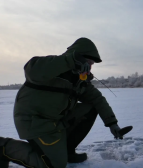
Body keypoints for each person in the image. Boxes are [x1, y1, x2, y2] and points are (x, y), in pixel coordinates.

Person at [0, 37, 124, 168]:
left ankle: (67, 151)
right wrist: (70, 61)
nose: (89, 67)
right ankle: (4, 147)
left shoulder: (79, 80)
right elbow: (32, 70)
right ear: (77, 57)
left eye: (91, 64)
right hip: (34, 121)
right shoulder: (51, 67)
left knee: (90, 108)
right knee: (54, 165)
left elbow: (97, 99)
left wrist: (112, 123)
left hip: (55, 121)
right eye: (88, 62)